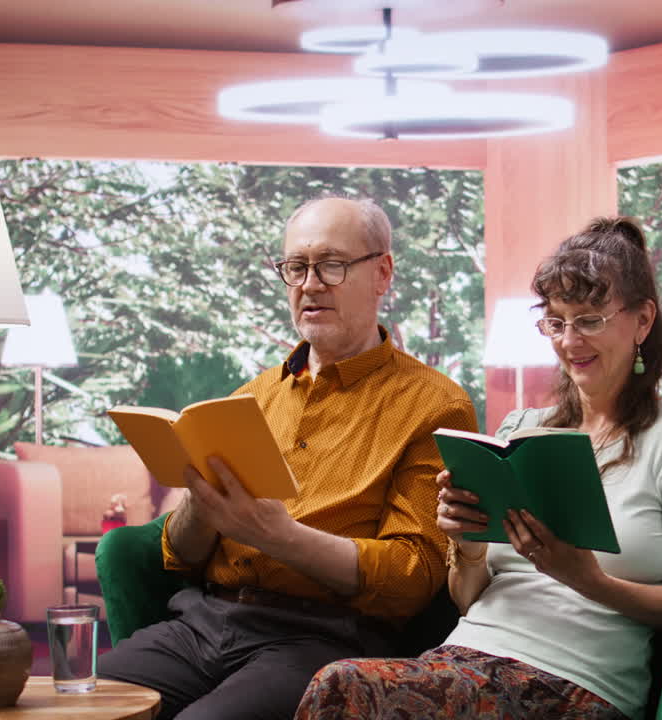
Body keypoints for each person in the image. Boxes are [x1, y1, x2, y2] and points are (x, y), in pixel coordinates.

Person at [296, 216, 662, 720]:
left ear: (642, 320)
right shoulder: (525, 427)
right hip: (464, 659)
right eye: (556, 321)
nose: (569, 341)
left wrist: (588, 580)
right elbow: (466, 598)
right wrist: (468, 546)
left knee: (342, 687)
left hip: (576, 685)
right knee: (344, 685)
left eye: (589, 320)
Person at [96, 195, 479, 720]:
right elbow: (181, 557)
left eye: (332, 265)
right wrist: (201, 507)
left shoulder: (436, 406)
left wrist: (279, 537)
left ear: (382, 274)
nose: (309, 283)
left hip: (323, 638)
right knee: (82, 704)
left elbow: (411, 578)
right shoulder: (245, 400)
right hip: (202, 622)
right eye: (295, 267)